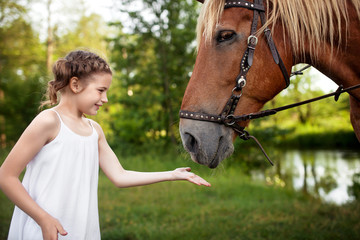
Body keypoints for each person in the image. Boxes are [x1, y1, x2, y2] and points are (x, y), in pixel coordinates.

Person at [0, 50, 211, 240]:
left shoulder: (95, 130)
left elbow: (120, 176)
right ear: (75, 85)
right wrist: (43, 218)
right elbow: (6, 176)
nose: (106, 99)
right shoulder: (49, 121)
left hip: (80, 230)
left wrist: (172, 174)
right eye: (101, 90)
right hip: (44, 231)